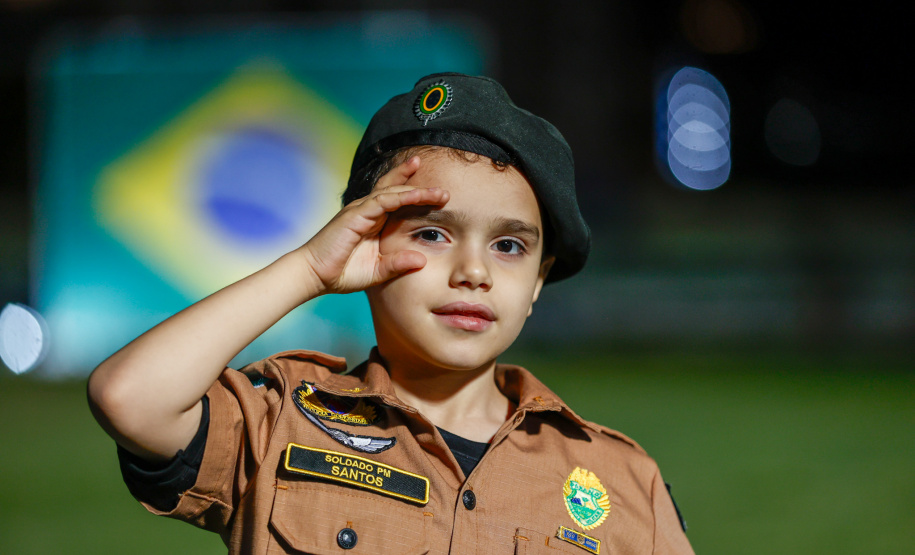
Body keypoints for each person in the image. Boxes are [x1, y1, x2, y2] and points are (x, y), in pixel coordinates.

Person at [88, 72, 693, 554]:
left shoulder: (619, 478)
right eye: (432, 234)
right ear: (364, 242)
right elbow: (129, 397)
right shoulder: (279, 424)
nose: (473, 272)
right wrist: (307, 270)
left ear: (538, 280)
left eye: (510, 246)